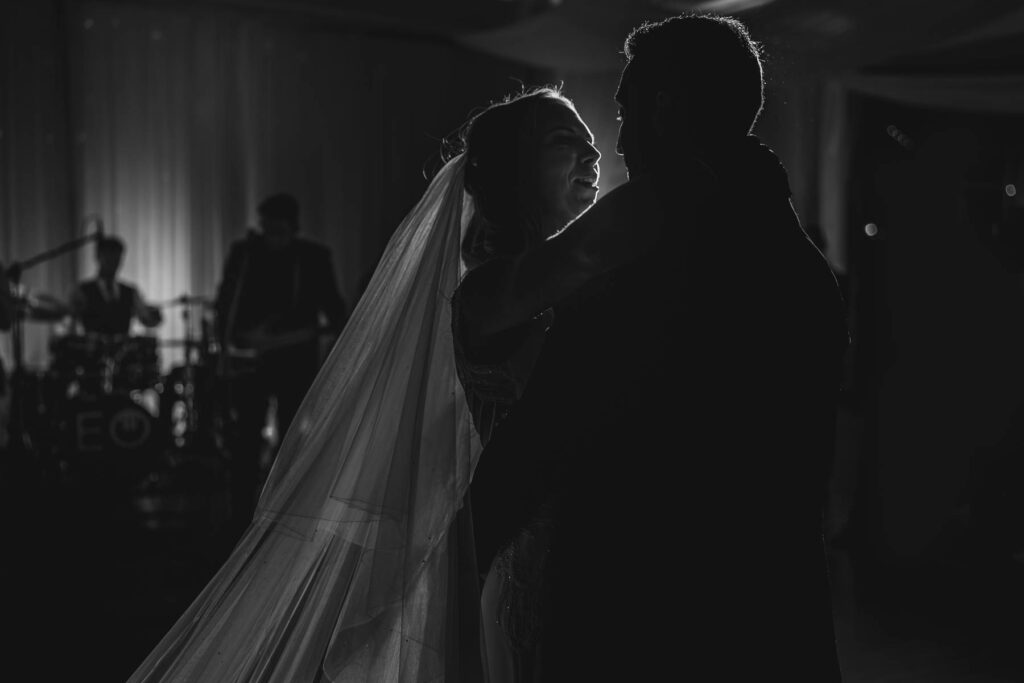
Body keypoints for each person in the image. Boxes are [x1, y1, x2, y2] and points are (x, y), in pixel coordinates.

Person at [127, 86, 599, 683]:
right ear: (515, 169)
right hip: (533, 551)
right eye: (566, 144)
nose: (593, 157)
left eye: (591, 143)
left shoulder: (573, 279)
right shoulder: (489, 291)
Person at [462, 14, 848, 681]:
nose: (616, 136)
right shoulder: (804, 264)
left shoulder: (651, 250)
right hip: (779, 620)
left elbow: (546, 432)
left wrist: (450, 566)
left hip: (648, 625)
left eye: (625, 106)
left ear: (664, 108)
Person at [213, 193, 348, 528]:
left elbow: (335, 311)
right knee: (245, 441)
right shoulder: (245, 255)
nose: (273, 236)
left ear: (293, 227)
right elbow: (225, 304)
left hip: (294, 362)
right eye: (268, 228)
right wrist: (230, 345)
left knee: (292, 439)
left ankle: (284, 513)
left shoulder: (313, 258)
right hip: (252, 363)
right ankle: (242, 516)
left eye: (279, 229)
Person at [69, 235, 162, 336]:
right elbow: (70, 322)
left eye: (117, 258)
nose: (113, 263)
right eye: (108, 257)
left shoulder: (130, 291)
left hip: (123, 350)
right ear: (98, 257)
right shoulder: (82, 290)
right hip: (92, 350)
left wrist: (151, 314)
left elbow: (148, 319)